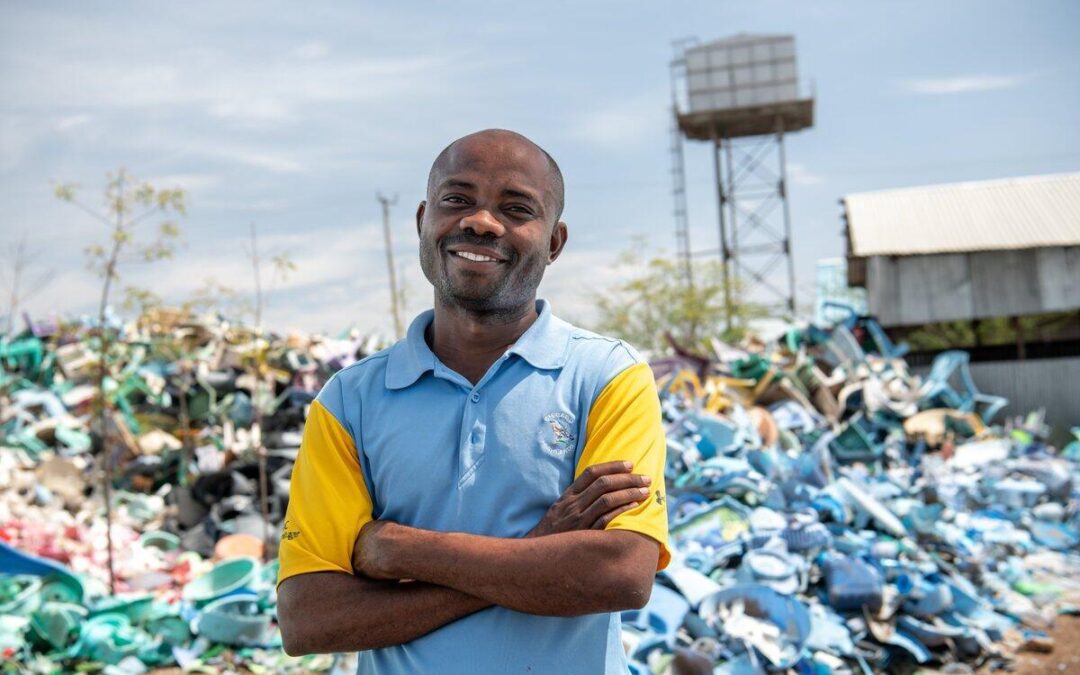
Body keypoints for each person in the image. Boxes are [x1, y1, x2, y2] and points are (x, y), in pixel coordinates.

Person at [276, 129, 670, 674]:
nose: (481, 222)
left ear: (554, 243)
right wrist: (540, 548)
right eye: (457, 200)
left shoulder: (605, 377)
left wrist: (401, 550)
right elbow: (309, 621)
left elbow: (621, 573)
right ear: (422, 221)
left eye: (515, 208)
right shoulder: (348, 403)